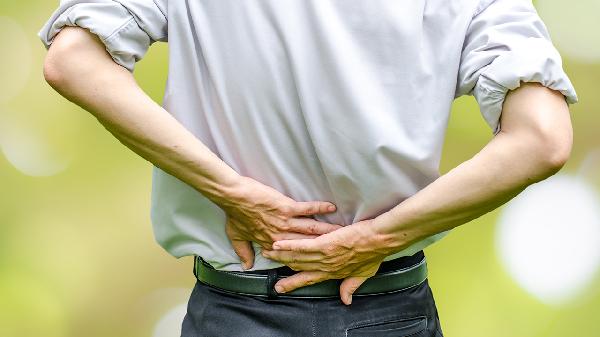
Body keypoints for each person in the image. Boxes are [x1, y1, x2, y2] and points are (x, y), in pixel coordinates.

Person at [38, 0, 578, 336]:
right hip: (389, 311)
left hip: (238, 312)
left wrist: (229, 189)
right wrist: (378, 237)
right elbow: (542, 138)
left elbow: (74, 60)